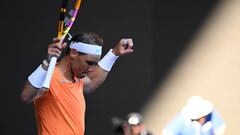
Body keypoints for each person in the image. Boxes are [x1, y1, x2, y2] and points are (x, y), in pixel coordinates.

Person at [21, 32, 134, 135]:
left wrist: (114, 53)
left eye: (95, 64)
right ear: (74, 53)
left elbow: (91, 83)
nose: (91, 69)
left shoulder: (78, 79)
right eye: (89, 63)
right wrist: (47, 62)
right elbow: (26, 96)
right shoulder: (49, 76)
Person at [162, 95, 226, 135]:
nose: (202, 119)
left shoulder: (211, 114)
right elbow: (167, 132)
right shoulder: (182, 119)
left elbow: (220, 127)